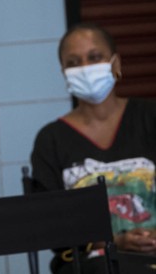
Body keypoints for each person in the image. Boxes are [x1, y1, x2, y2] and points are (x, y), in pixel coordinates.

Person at [31, 22, 156, 274]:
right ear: (64, 73)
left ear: (116, 64)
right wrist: (114, 241)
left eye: (95, 57)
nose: (85, 68)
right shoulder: (51, 140)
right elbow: (50, 227)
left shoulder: (149, 118)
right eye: (74, 62)